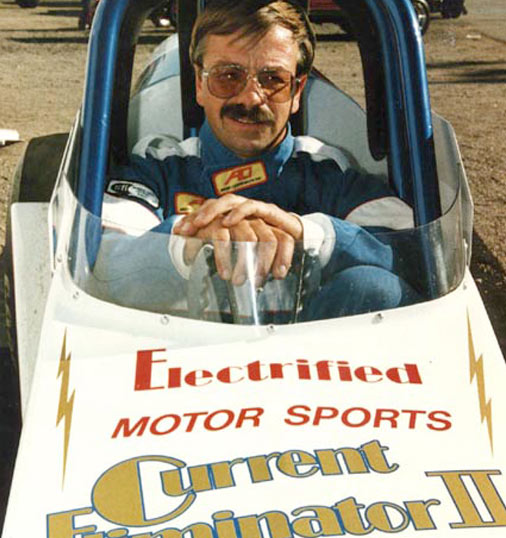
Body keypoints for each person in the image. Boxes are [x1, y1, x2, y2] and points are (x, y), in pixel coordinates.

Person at [94, 0, 419, 322]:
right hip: (183, 353)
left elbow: (420, 254)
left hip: (316, 356)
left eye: (272, 79)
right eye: (227, 76)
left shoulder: (329, 172)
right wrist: (187, 242)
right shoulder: (158, 167)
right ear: (200, 84)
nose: (250, 98)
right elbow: (99, 258)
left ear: (296, 91)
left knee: (375, 287)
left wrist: (309, 235)